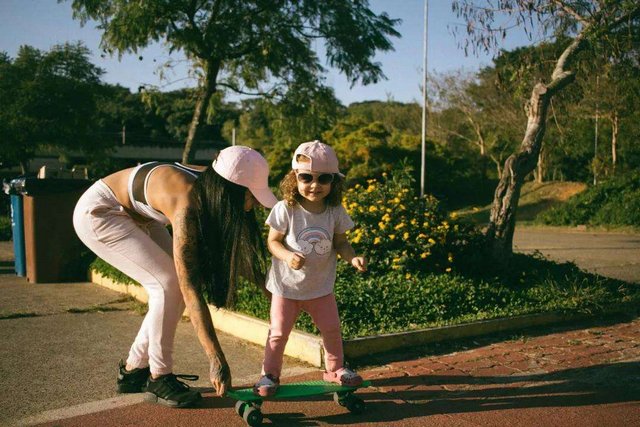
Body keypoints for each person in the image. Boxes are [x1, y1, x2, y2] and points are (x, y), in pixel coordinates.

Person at [73, 146, 277, 407]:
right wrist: (216, 358)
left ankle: (134, 370)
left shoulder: (215, 180)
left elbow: (224, 254)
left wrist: (266, 286)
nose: (254, 205)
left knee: (169, 286)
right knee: (168, 285)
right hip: (101, 212)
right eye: (251, 196)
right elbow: (189, 285)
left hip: (143, 217)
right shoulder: (187, 203)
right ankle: (159, 377)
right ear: (230, 190)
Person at [253, 140, 366, 397]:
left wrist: (353, 258)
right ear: (295, 178)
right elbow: (273, 242)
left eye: (324, 178)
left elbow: (341, 243)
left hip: (320, 288)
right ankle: (269, 375)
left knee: (331, 330)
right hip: (286, 288)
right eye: (306, 177)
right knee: (278, 333)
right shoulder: (286, 209)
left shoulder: (335, 211)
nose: (315, 185)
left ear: (333, 182)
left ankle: (335, 369)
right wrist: (287, 255)